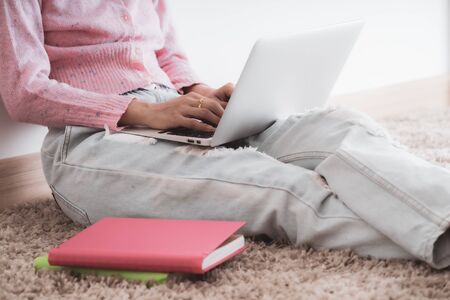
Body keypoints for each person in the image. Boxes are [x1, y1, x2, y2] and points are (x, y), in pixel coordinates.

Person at [1, 1, 450, 269]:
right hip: (90, 143)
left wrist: (204, 95)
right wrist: (143, 112)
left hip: (179, 112)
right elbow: (24, 92)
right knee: (280, 187)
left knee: (341, 127)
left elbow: (166, 54)